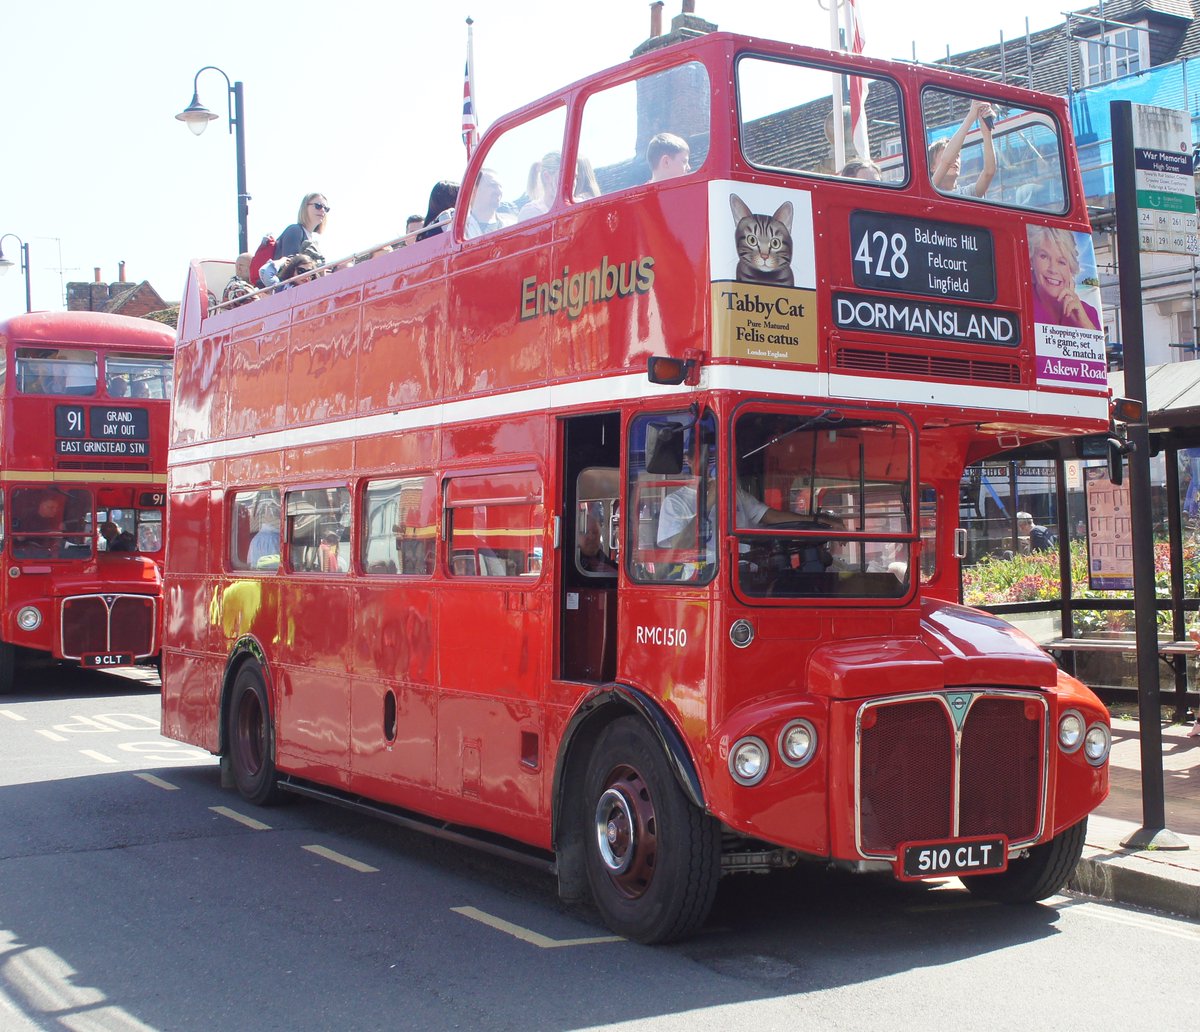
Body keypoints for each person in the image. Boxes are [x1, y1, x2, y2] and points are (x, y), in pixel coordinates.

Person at [1028, 225, 1101, 330]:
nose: (1053, 269)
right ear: (1031, 261)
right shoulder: (1023, 305)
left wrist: (1084, 323)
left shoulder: (1087, 312)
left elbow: (1098, 341)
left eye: (1061, 262)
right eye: (1044, 257)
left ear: (1071, 269)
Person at [928, 99, 996, 197]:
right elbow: (947, 161)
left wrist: (987, 132)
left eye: (958, 155)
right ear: (932, 167)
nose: (955, 159)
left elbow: (989, 172)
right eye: (951, 154)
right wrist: (971, 116)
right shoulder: (930, 189)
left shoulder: (967, 193)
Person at [274, 193, 329, 263]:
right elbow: (290, 264)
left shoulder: (313, 241)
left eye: (326, 209)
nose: (323, 210)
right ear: (305, 207)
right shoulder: (295, 230)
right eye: (318, 206)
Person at [464, 169, 515, 238]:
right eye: (493, 185)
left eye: (500, 187)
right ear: (474, 190)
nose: (499, 191)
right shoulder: (459, 230)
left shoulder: (511, 226)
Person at [518, 153, 562, 221]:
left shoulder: (577, 206)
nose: (573, 182)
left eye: (575, 177)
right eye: (566, 176)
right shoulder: (530, 212)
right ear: (547, 177)